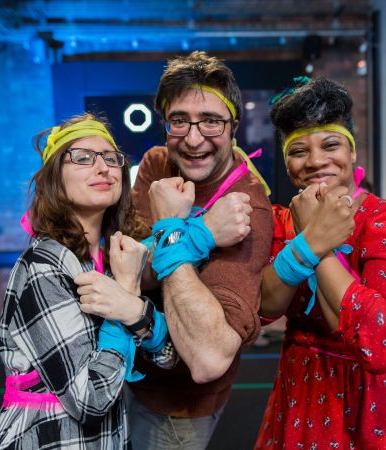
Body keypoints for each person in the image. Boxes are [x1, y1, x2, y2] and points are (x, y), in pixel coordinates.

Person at [255, 77, 386, 449]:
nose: (316, 161)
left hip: (376, 400)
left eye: (331, 144)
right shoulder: (279, 222)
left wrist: (312, 242)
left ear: (353, 153)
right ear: (287, 161)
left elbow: (382, 344)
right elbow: (264, 309)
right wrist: (309, 241)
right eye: (299, 150)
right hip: (303, 385)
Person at [0, 114, 176, 450]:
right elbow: (90, 401)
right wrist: (127, 294)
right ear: (55, 179)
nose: (103, 167)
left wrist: (132, 307)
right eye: (83, 157)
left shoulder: (109, 259)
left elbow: (167, 356)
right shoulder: (42, 268)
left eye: (111, 158)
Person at [129, 51, 274, 449]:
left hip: (177, 407)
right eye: (180, 121)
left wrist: (170, 232)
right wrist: (200, 234)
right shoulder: (158, 164)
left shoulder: (250, 208)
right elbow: (124, 272)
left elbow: (208, 358)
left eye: (210, 120)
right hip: (125, 376)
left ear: (233, 127)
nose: (193, 139)